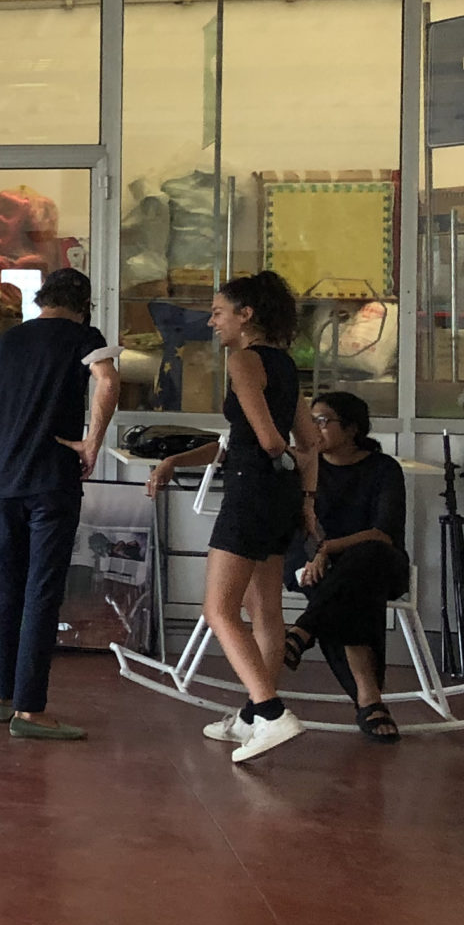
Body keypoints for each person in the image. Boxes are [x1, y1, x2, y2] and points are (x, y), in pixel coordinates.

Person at [144, 271, 317, 764]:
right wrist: (306, 499)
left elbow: (268, 441)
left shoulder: (243, 360)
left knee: (219, 610)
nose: (211, 321)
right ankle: (251, 715)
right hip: (281, 497)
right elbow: (311, 442)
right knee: (265, 611)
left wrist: (276, 454)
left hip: (250, 493)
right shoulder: (285, 366)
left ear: (246, 315)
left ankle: (272, 713)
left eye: (219, 312)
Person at [0, 266, 121, 741]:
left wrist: (15, 410)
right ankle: (31, 711)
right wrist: (92, 443)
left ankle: (1, 697)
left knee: (7, 589)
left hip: (5, 483)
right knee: (42, 592)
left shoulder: (6, 341)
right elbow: (108, 382)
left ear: (41, 299)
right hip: (51, 483)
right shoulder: (82, 336)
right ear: (84, 306)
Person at [282, 391, 410, 742]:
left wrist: (328, 550)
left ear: (352, 428)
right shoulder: (305, 466)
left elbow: (383, 533)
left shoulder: (383, 469)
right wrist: (319, 553)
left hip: (378, 564)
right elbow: (297, 527)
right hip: (314, 565)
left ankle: (304, 629)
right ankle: (369, 699)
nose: (314, 428)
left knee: (364, 561)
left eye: (323, 421)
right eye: (310, 421)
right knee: (347, 593)